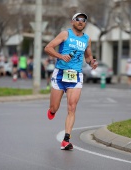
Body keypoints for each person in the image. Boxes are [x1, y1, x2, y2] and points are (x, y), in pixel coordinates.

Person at [44, 13, 98, 150]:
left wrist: (92, 62)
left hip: (75, 75)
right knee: (54, 107)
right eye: (78, 19)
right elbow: (48, 48)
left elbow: (88, 56)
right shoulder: (65, 34)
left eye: (83, 20)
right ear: (72, 21)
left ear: (85, 23)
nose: (81, 21)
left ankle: (66, 140)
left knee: (72, 107)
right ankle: (52, 110)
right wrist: (60, 56)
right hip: (60, 74)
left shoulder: (87, 39)